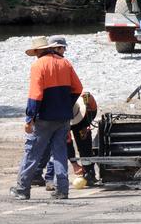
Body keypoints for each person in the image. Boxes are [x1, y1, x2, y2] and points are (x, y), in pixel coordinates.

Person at [10, 36, 83, 200]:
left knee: (32, 152)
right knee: (59, 153)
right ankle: (62, 190)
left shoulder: (38, 65)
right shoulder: (65, 63)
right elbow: (78, 88)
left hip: (44, 118)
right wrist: (65, 105)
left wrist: (29, 118)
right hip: (63, 118)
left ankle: (22, 189)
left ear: (37, 51)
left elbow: (35, 95)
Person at [33, 36, 99, 190]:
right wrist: (75, 164)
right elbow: (77, 87)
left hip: (64, 112)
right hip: (62, 112)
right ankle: (47, 177)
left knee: (84, 145)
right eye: (62, 48)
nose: (64, 51)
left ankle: (89, 173)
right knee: (58, 146)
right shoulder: (63, 64)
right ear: (55, 48)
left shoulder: (86, 110)